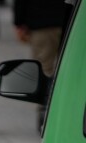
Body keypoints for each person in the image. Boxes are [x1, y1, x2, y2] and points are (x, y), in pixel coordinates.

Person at [13, 0, 72, 130]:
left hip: (41, 22)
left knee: (44, 69)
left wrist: (19, 21)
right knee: (68, 67)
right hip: (67, 21)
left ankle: (45, 110)